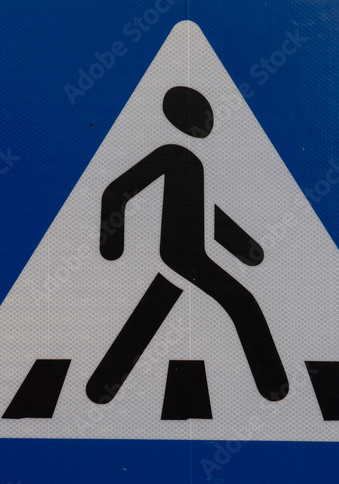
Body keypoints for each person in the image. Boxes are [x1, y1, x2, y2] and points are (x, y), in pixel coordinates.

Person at [86, 86, 289, 405]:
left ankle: (102, 386)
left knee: (153, 309)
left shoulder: (191, 160)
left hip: (188, 254)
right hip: (182, 254)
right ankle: (274, 386)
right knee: (242, 302)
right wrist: (112, 243)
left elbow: (206, 213)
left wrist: (245, 248)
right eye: (202, 114)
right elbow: (117, 191)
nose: (208, 123)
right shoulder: (171, 154)